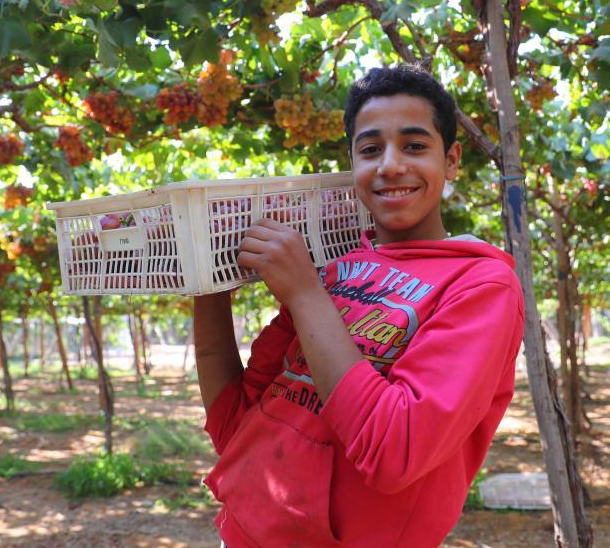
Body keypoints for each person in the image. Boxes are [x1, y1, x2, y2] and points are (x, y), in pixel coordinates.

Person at [193, 64, 526, 547]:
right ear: (352, 164)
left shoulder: (481, 285)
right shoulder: (335, 270)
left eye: (415, 145)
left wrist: (304, 293)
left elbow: (394, 452)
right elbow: (237, 421)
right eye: (370, 150)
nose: (390, 165)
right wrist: (206, 276)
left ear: (451, 160)